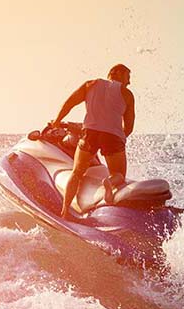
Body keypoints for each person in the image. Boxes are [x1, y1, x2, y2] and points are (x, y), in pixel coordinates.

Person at [51, 63, 135, 219]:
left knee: (76, 173)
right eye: (128, 77)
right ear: (118, 73)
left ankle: (64, 212)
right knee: (119, 175)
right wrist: (118, 140)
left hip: (90, 134)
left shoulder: (91, 84)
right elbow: (129, 127)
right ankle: (109, 183)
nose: (129, 82)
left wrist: (57, 121)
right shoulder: (127, 94)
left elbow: (69, 103)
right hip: (113, 137)